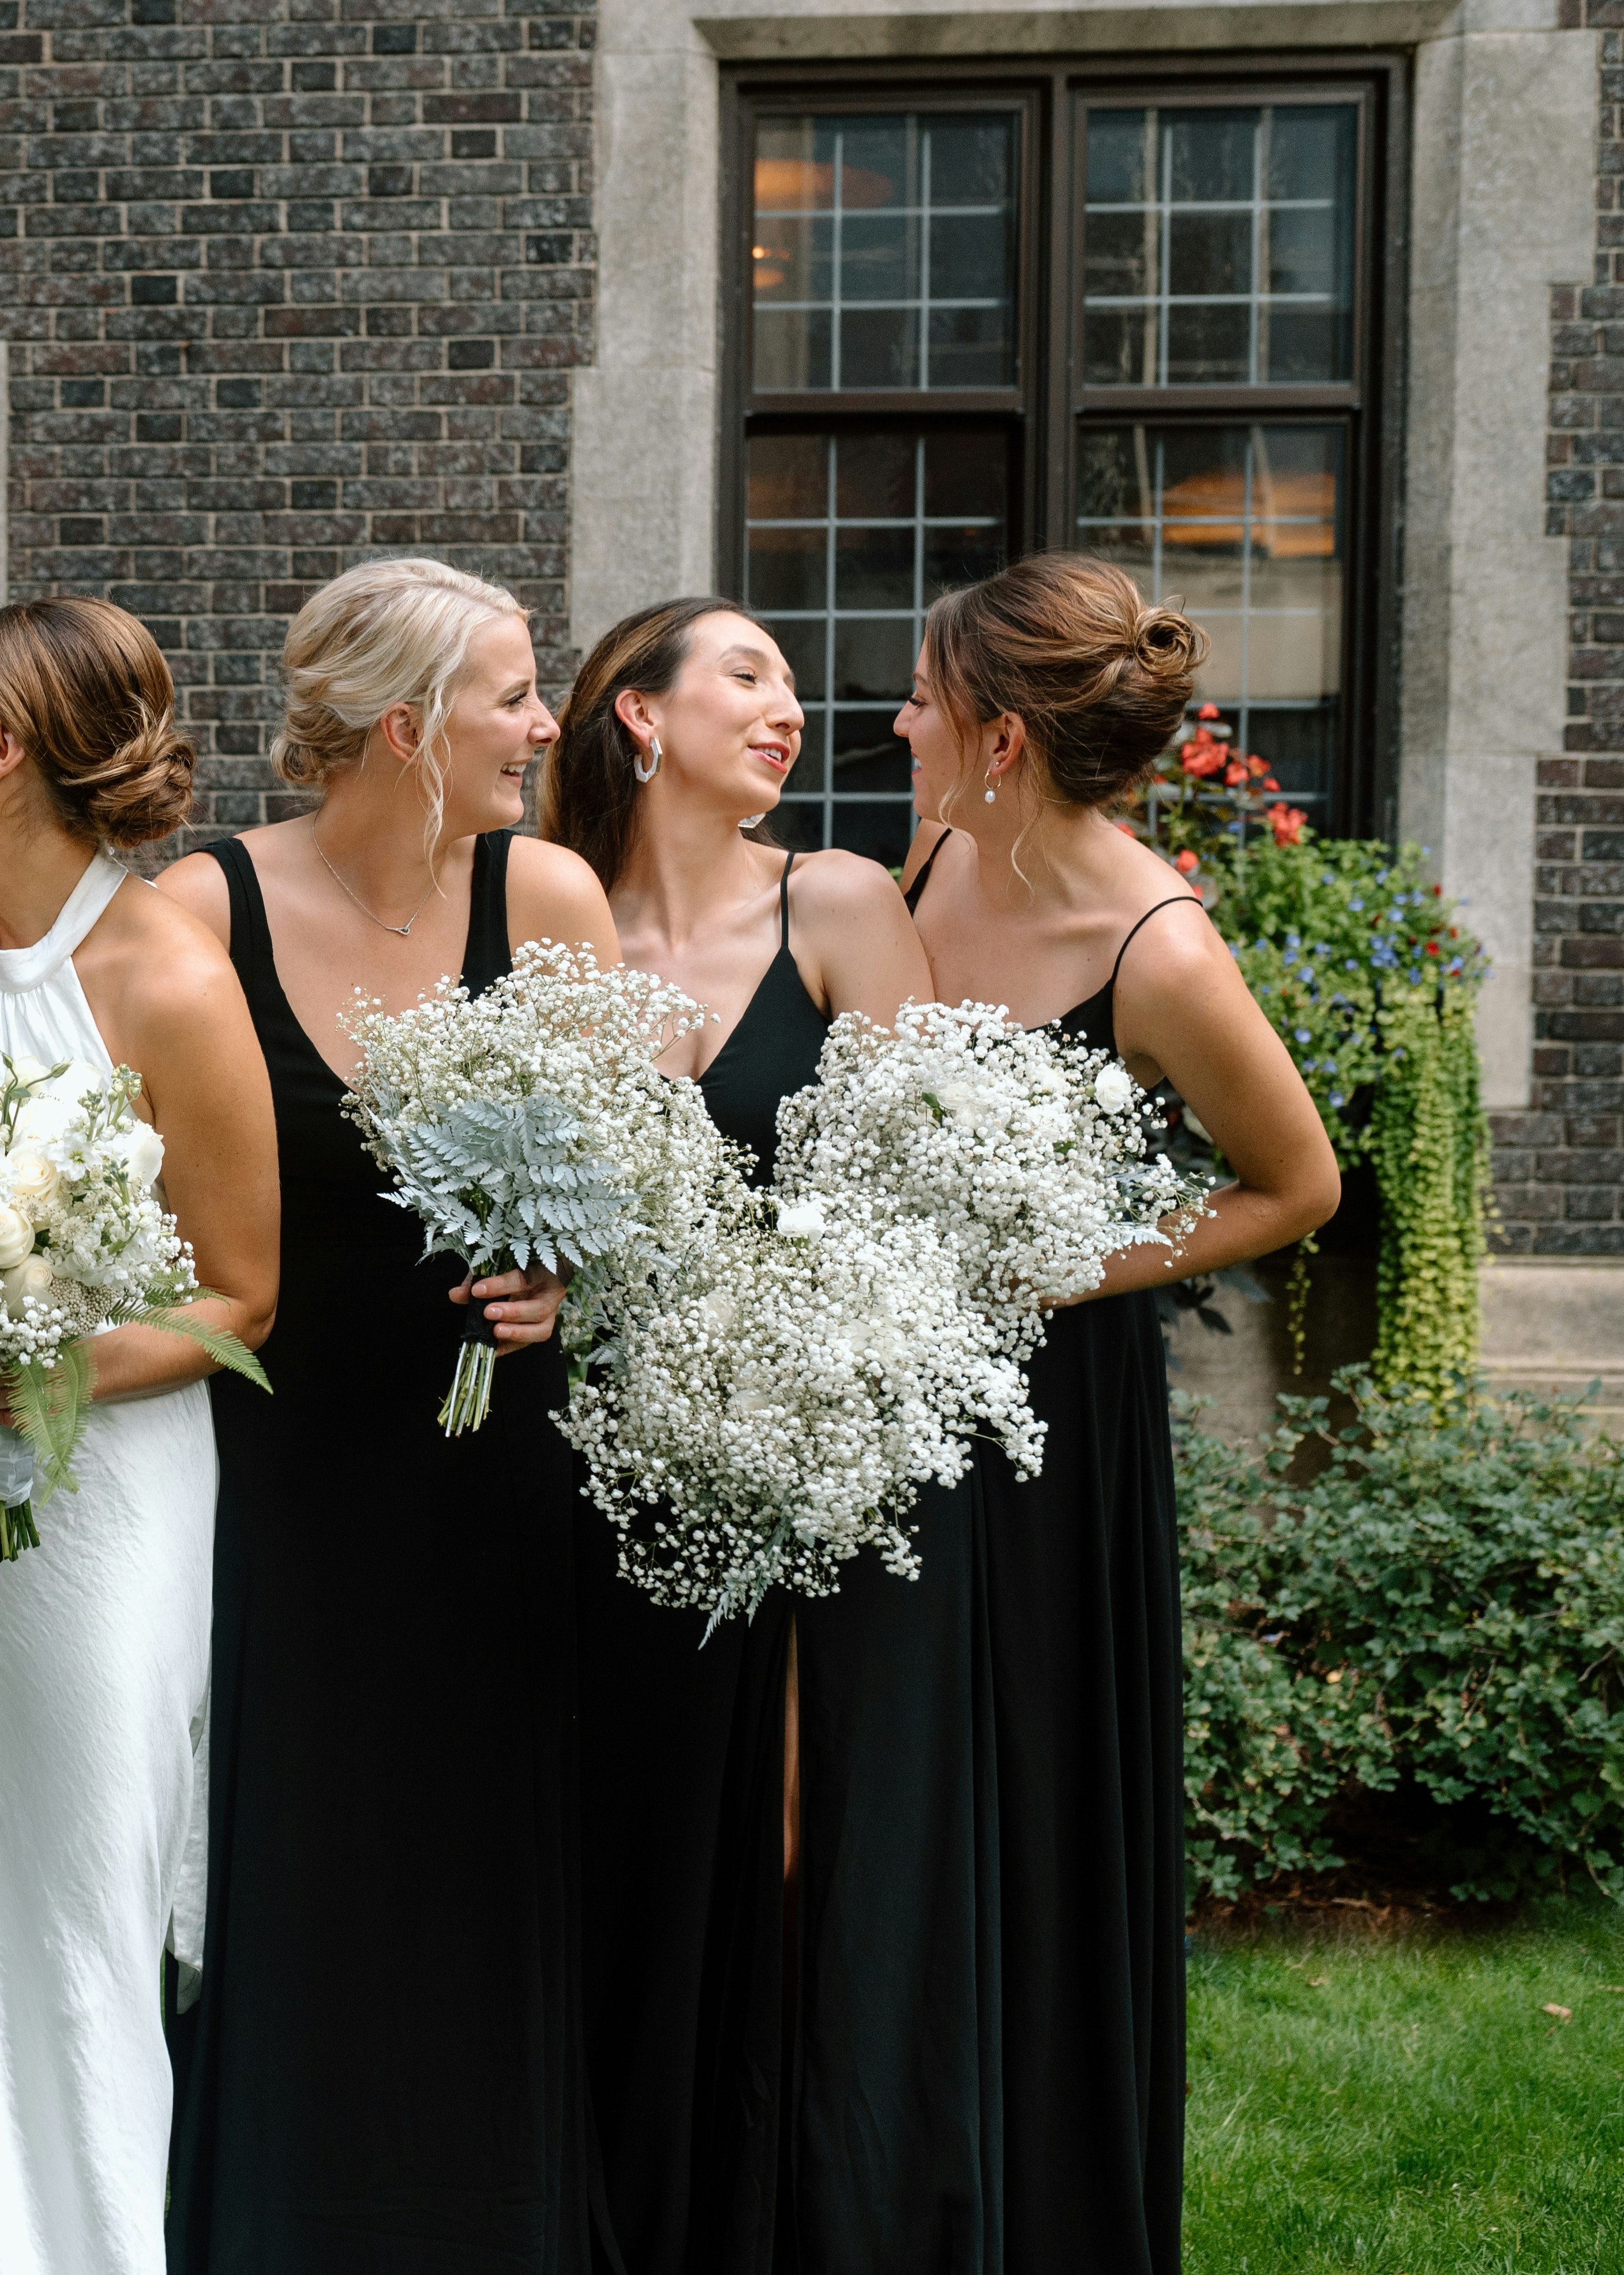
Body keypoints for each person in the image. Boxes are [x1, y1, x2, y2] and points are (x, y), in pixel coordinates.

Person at [153, 557, 618, 2270]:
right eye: (515, 695)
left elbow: (633, 1182)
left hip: (497, 1481)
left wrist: (573, 1285)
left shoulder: (550, 900)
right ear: (410, 728)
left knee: (477, 1863)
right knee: (293, 1854)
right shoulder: (202, 908)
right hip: (273, 1481)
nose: (546, 724)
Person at [0, 597, 280, 2275]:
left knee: (80, 1884)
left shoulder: (173, 978)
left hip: (98, 1508)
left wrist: (40, 1360)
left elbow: (242, 1295)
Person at [895, 553, 1338, 2275]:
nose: (901, 722)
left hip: (1050, 1422)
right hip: (871, 1366)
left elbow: (1294, 1185)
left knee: (1034, 1797)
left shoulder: (1159, 949)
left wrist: (1067, 1268)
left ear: (1001, 740)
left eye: (925, 698)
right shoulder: (930, 854)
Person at [542, 599, 955, 2273]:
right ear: (640, 717)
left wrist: (795, 1350)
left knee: (777, 1866)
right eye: (748, 676)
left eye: (791, 684)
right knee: (602, 1850)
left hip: (792, 1462)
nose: (789, 707)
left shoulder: (839, 903)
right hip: (577, 1468)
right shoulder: (542, 915)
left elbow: (927, 1197)